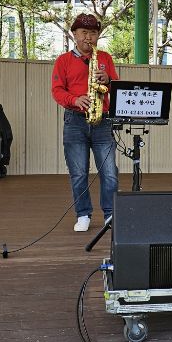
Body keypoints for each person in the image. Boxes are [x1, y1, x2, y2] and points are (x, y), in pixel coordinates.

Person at [50, 14, 119, 232]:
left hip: (103, 120)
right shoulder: (63, 60)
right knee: (79, 172)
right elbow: (57, 91)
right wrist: (75, 99)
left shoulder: (105, 58)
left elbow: (116, 86)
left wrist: (108, 80)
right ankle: (83, 214)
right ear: (74, 34)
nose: (88, 37)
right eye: (84, 33)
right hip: (75, 120)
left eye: (93, 33)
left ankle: (110, 214)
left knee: (109, 172)